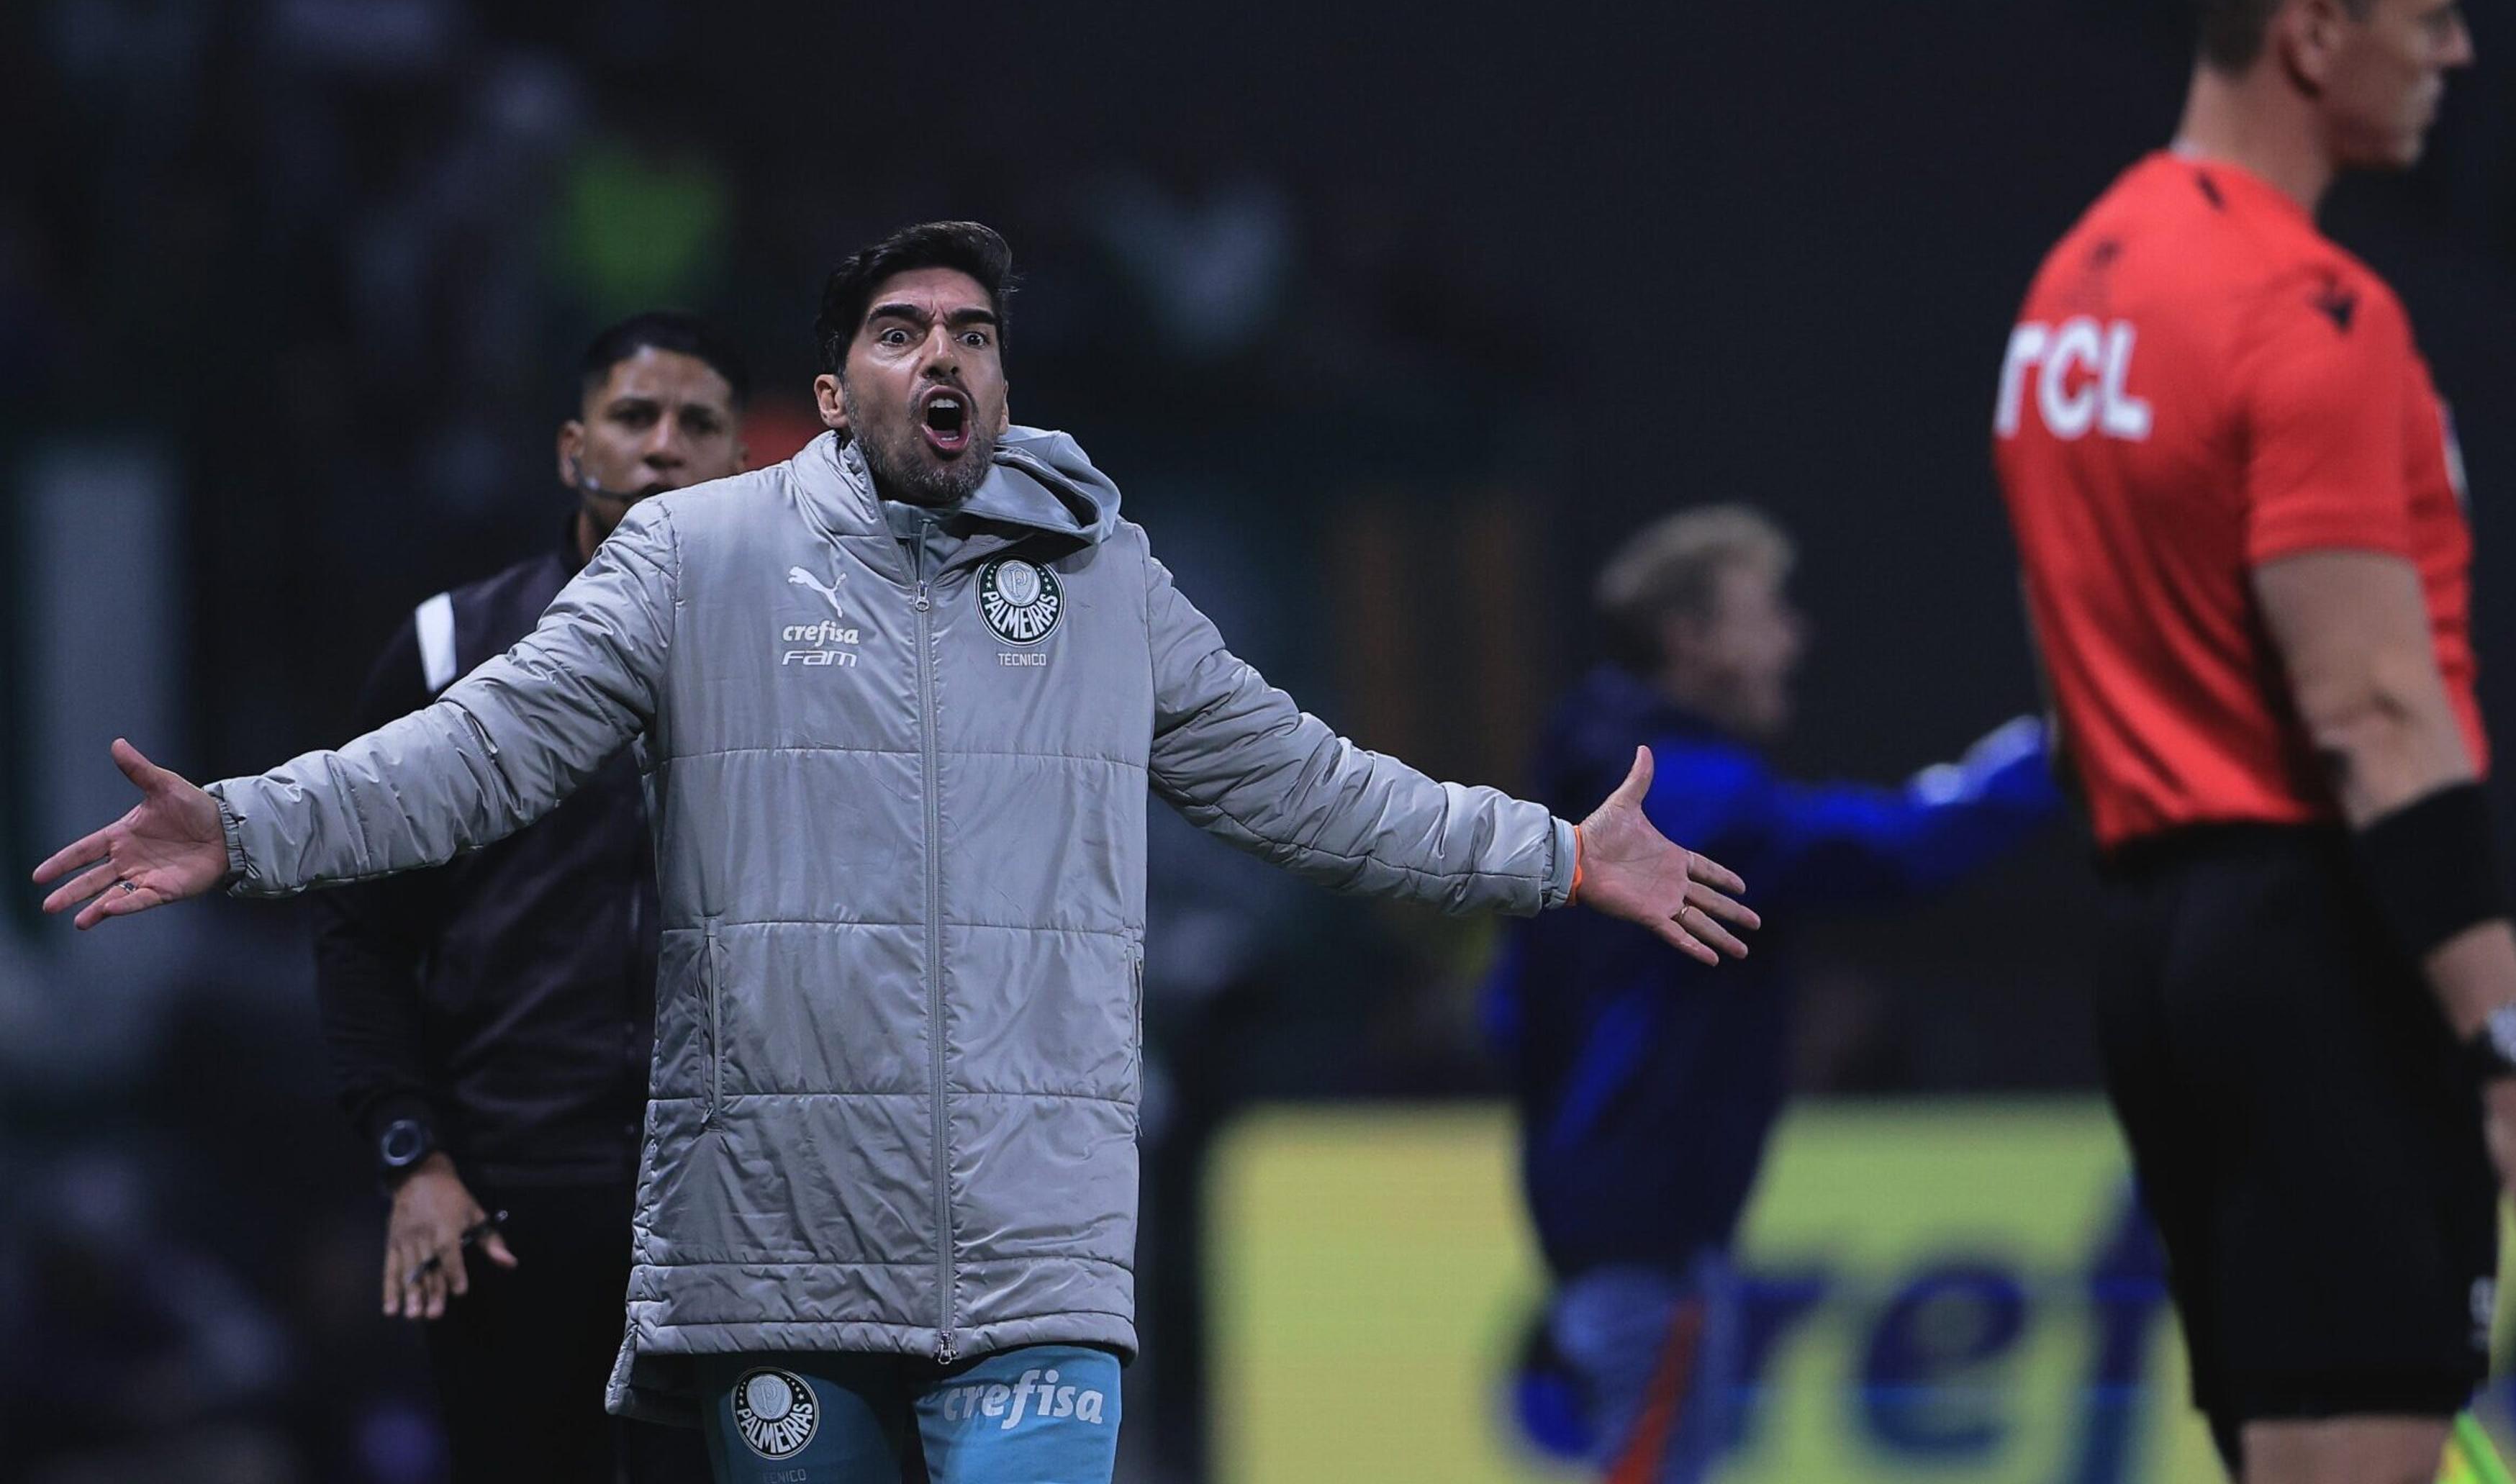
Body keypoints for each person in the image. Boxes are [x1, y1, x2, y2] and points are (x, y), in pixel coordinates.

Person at [35, 220, 1757, 1484]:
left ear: (1005, 381)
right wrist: (248, 826)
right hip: (775, 1262)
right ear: (831, 389)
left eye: (974, 333)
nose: (943, 354)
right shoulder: (696, 565)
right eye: (900, 329)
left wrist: (1548, 856)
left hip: (1034, 1250)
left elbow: (1308, 783)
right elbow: (473, 756)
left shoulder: (1105, 583)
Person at [1989, 0, 2516, 1484]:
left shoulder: (2072, 296)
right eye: (2431, 11)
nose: (2458, 51)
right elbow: (2377, 711)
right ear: (2315, 30)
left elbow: (2070, 685)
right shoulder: (2307, 315)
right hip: (2323, 942)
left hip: (2156, 955)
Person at [1487, 504, 2058, 1483]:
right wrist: (2056, 748)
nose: (1794, 637)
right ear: (1691, 639)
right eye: (1767, 612)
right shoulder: (1676, 799)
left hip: (1615, 1217)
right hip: (1645, 1227)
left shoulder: (1593, 767)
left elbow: (1507, 1012)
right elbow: (1888, 850)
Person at [308, 311, 748, 1483]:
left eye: (697, 423)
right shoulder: (452, 648)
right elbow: (359, 929)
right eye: (633, 416)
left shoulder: (804, 659)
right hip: (505, 1211)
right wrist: (413, 1160)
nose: (663, 445)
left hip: (737, 1223)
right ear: (573, 447)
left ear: (743, 461)